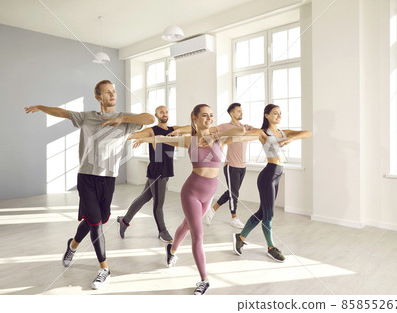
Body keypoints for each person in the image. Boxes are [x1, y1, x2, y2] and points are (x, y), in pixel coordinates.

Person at [24, 80, 155, 289]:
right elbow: (62, 112)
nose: (112, 95)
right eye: (107, 92)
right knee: (95, 222)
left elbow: (150, 118)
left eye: (114, 92)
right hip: (86, 177)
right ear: (98, 97)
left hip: (109, 179)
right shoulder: (87, 117)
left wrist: (121, 119)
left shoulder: (126, 120)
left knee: (95, 220)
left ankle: (72, 245)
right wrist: (40, 107)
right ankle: (105, 269)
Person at [132, 104, 249, 295]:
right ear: (194, 118)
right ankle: (204, 279)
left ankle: (172, 250)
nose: (209, 119)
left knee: (186, 225)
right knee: (198, 234)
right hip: (191, 192)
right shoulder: (190, 141)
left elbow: (241, 129)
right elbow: (160, 138)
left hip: (209, 193)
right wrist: (140, 137)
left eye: (211, 115)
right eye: (204, 116)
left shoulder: (221, 139)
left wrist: (215, 133)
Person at [232, 104, 311, 262]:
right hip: (268, 175)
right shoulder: (263, 133)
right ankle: (271, 247)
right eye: (275, 113)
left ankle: (240, 237)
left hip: (277, 175)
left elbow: (308, 133)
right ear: (266, 115)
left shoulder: (283, 133)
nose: (278, 116)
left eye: (280, 113)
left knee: (263, 212)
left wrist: (292, 138)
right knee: (269, 215)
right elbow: (244, 134)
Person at [116, 105, 188, 243]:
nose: (164, 114)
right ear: (156, 115)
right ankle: (162, 231)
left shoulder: (173, 130)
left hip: (166, 171)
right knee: (158, 203)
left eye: (166, 111)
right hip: (157, 172)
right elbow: (133, 135)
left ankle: (124, 221)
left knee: (144, 198)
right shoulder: (152, 130)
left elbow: (189, 128)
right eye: (161, 112)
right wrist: (119, 135)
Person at [205, 103, 254, 228]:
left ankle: (212, 209)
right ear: (232, 113)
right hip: (231, 165)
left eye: (241, 111)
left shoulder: (246, 127)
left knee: (233, 191)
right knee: (234, 193)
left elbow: (259, 133)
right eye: (238, 111)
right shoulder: (226, 126)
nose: (241, 113)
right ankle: (234, 217)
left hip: (243, 166)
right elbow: (209, 131)